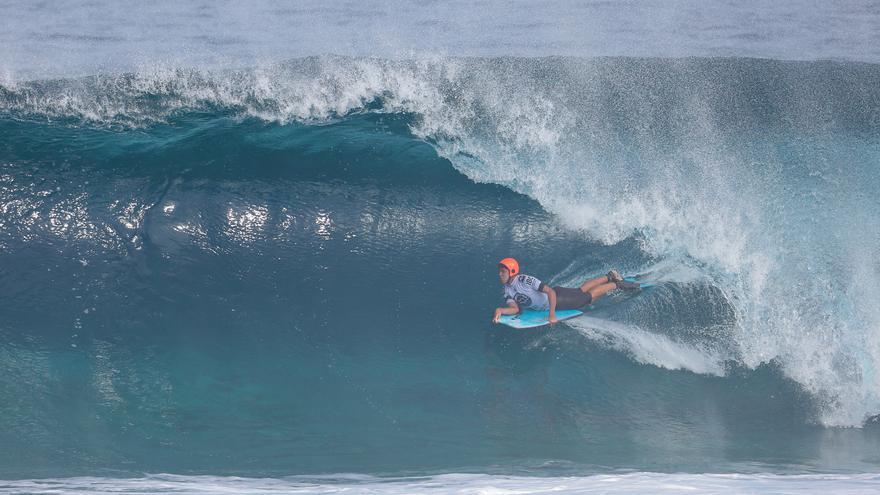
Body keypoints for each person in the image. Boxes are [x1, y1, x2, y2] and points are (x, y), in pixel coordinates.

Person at [492, 257, 639, 325]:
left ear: (512, 271)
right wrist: (500, 310)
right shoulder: (507, 289)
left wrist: (552, 315)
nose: (500, 274)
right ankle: (609, 276)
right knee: (580, 290)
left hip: (557, 298)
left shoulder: (525, 280)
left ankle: (616, 285)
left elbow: (550, 292)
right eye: (499, 272)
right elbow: (515, 309)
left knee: (586, 298)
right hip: (557, 296)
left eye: (503, 272)